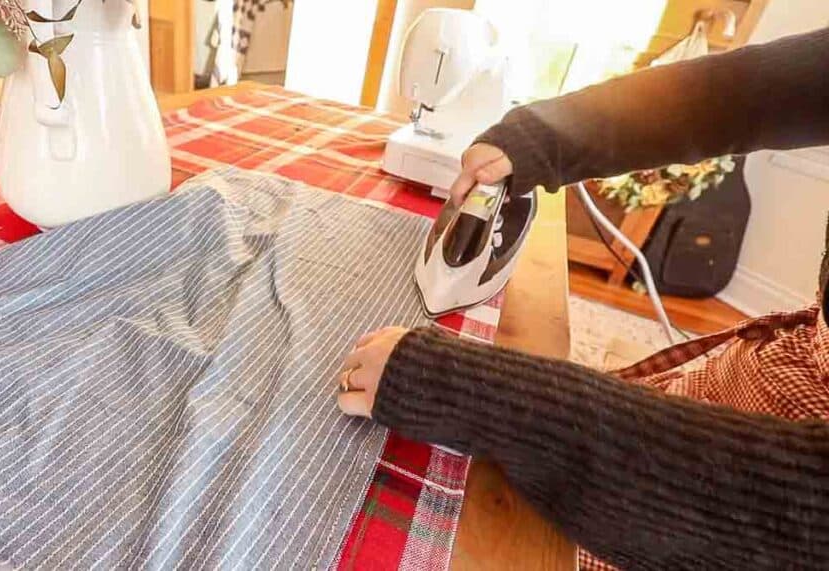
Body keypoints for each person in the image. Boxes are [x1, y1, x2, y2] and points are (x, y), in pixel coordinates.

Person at [336, 26, 829, 571]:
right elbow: (741, 93)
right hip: (764, 382)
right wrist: (541, 137)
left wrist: (471, 392)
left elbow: (794, 513)